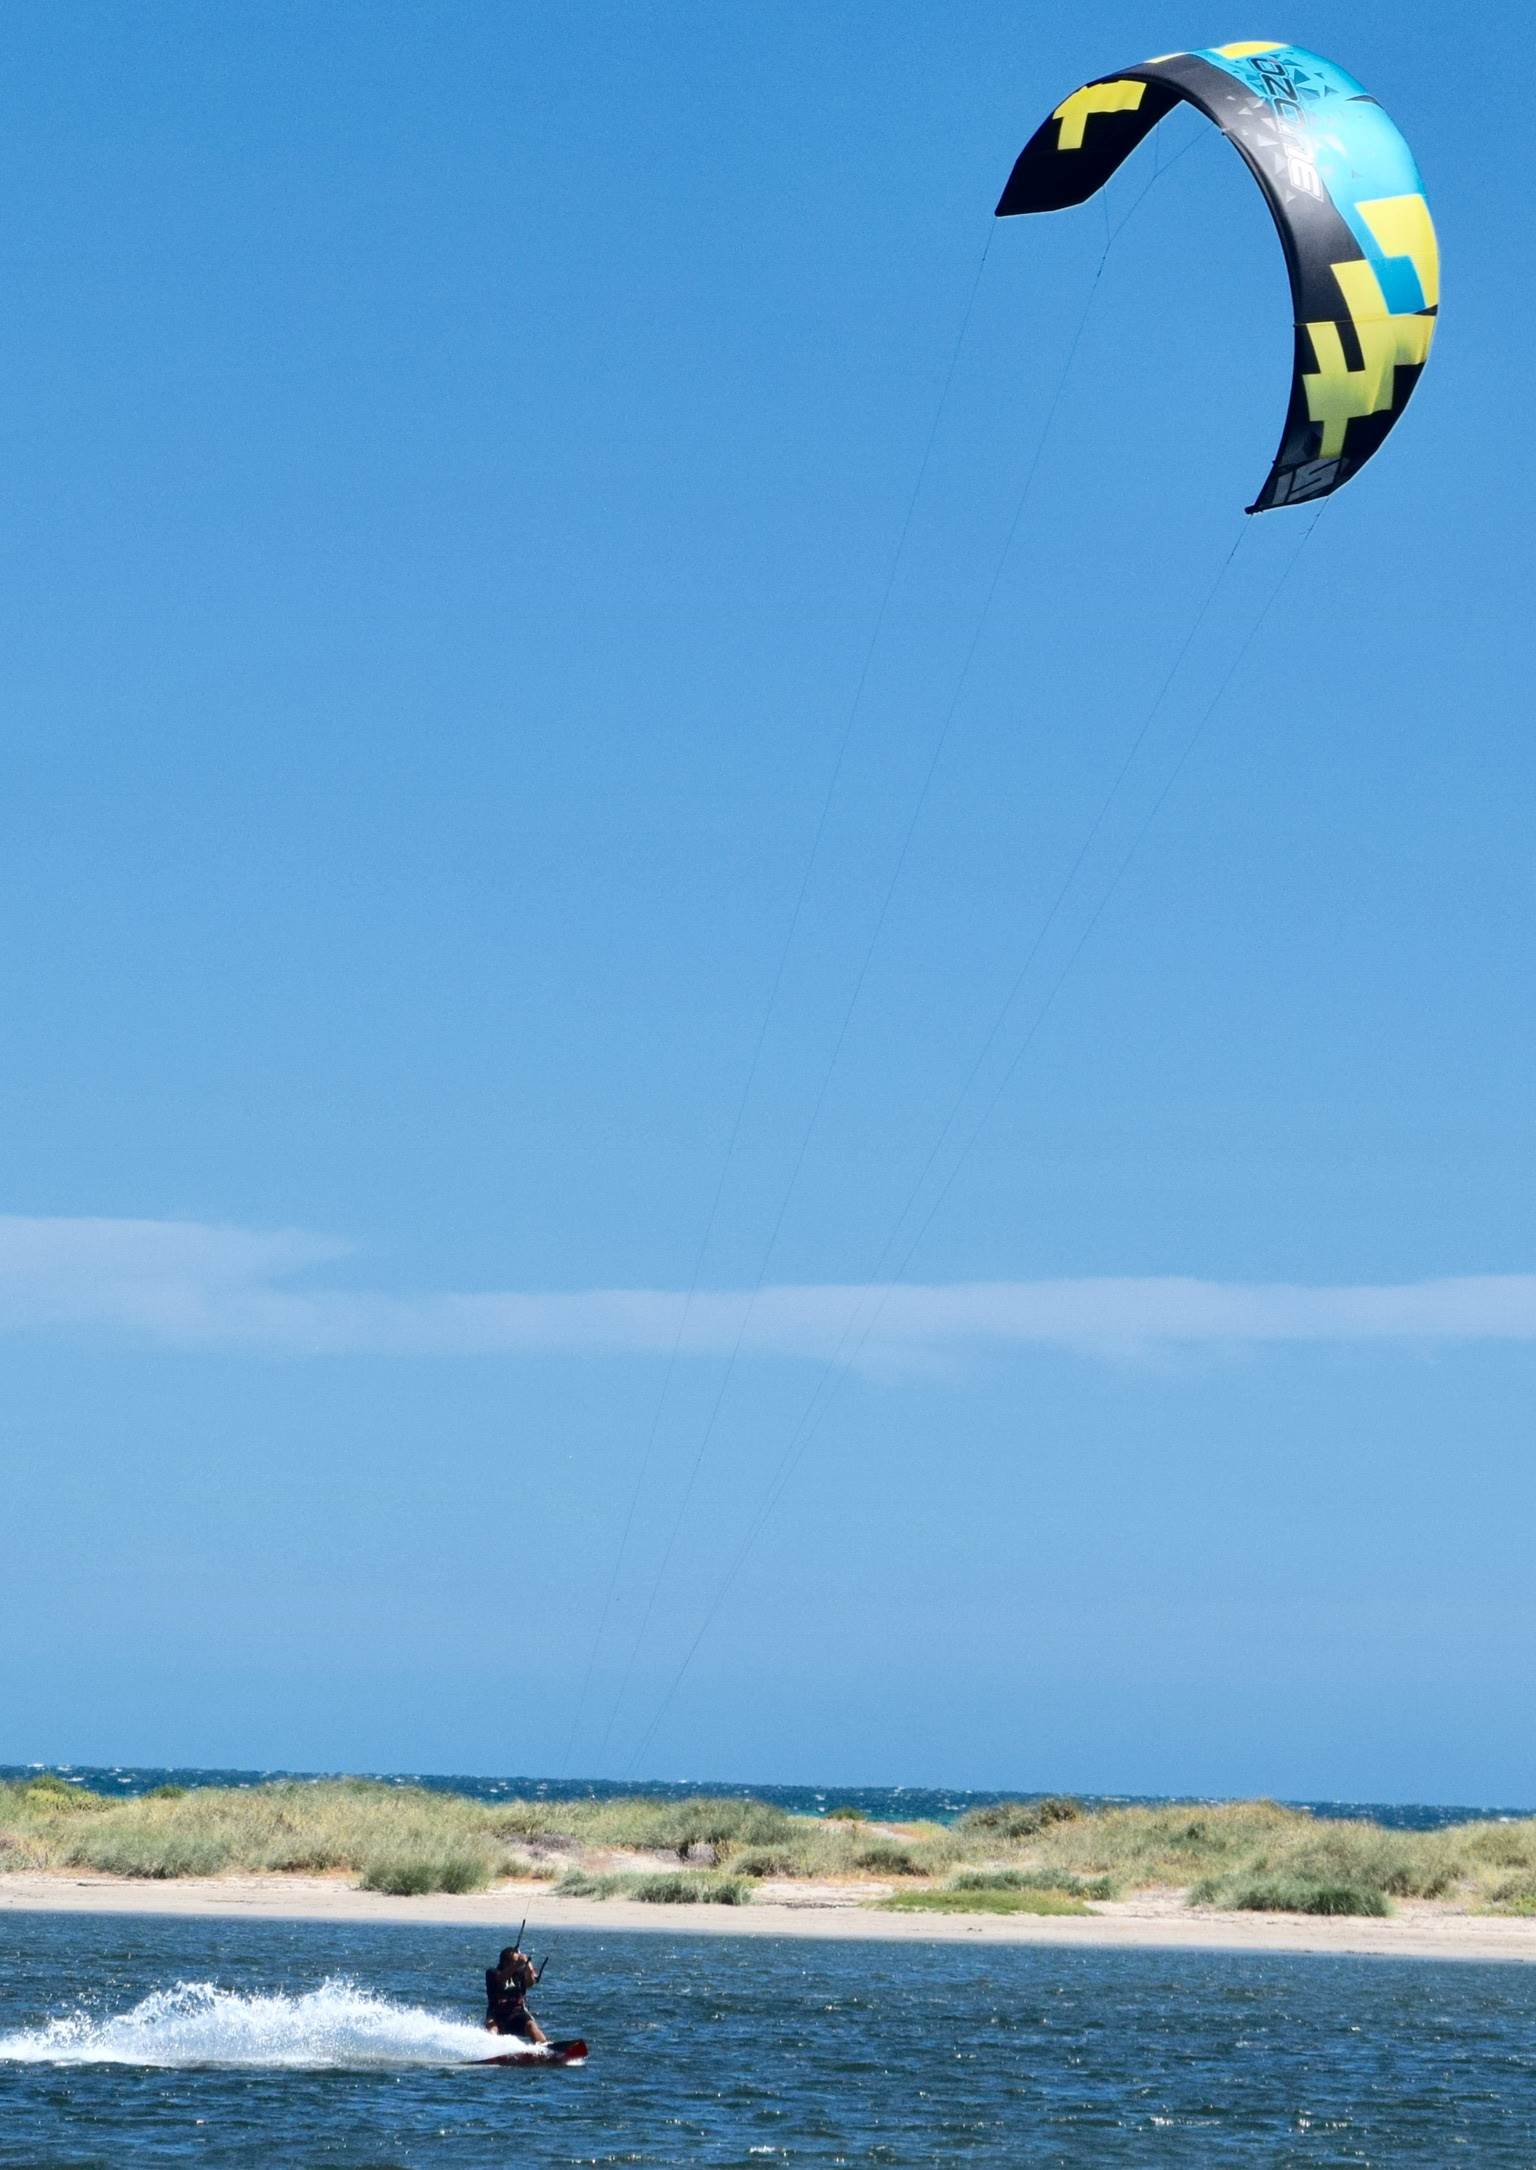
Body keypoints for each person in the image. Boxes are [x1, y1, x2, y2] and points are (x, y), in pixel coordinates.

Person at [484, 1944, 547, 2044]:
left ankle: (545, 2046)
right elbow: (500, 1978)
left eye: (518, 1963)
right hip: (497, 2015)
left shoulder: (519, 1974)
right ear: (505, 1962)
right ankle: (491, 2050)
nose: (518, 1965)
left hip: (516, 2014)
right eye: (515, 1962)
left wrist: (528, 1965)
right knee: (492, 2028)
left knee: (531, 2025)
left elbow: (530, 1983)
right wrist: (518, 1964)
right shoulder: (492, 1973)